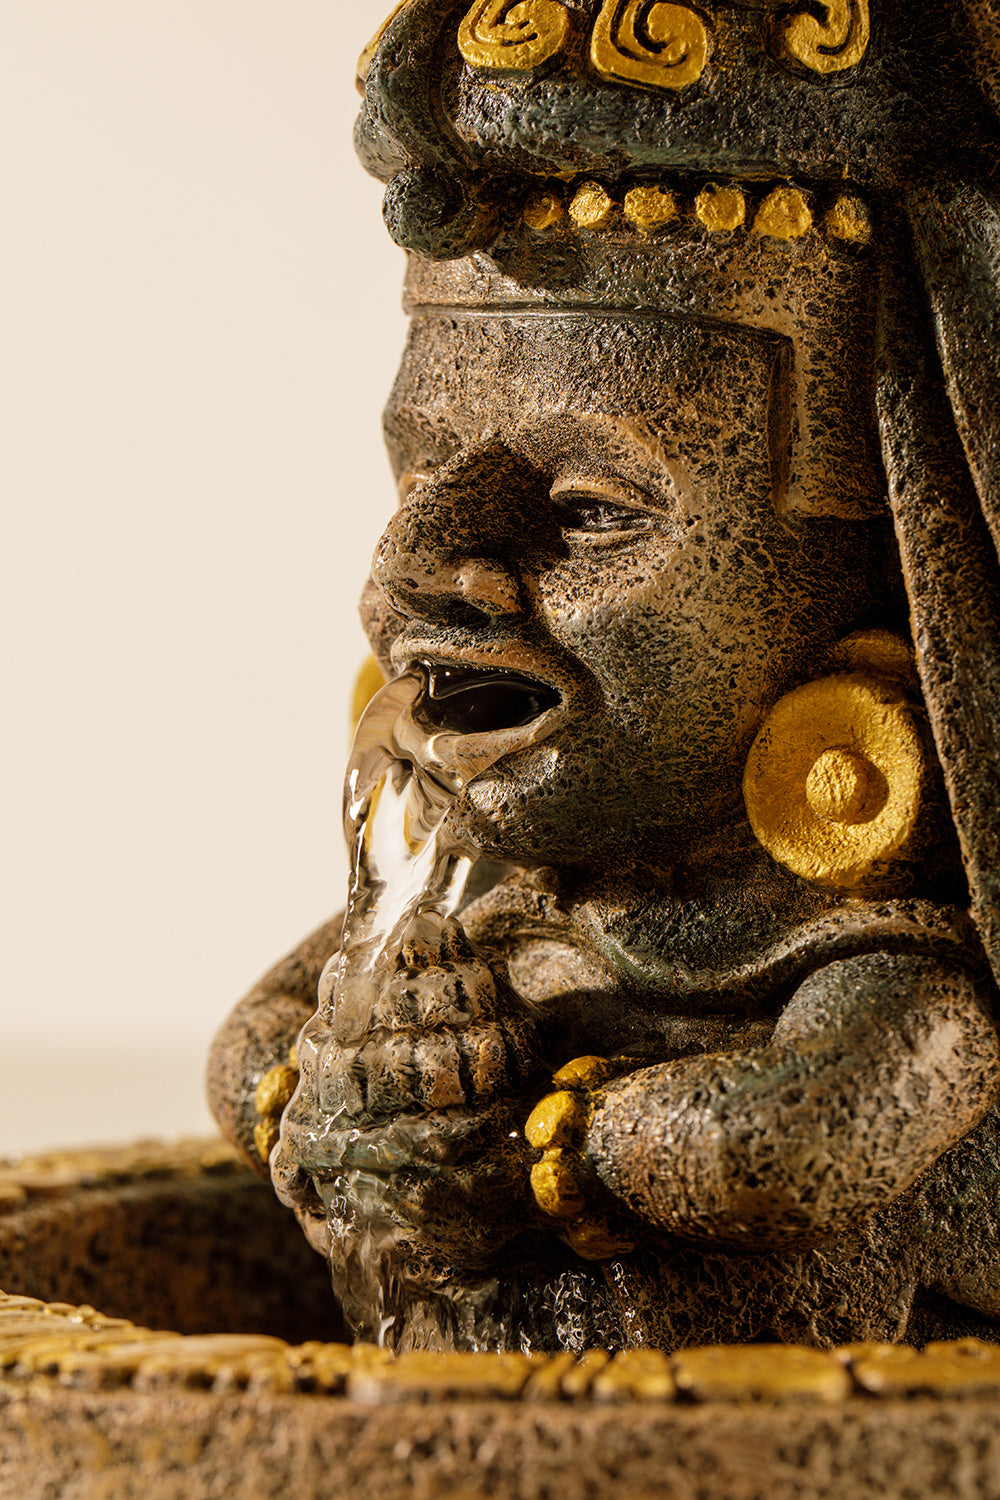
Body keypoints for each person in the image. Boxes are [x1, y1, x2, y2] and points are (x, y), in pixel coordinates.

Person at [209, 0, 1000, 1350]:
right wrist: (317, 1100)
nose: (411, 574)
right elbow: (249, 1045)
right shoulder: (469, 902)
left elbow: (806, 1135)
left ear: (884, 588)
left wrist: (531, 1156)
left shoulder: (851, 956)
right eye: (416, 481)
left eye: (590, 513)